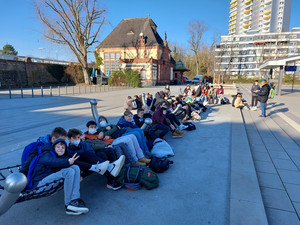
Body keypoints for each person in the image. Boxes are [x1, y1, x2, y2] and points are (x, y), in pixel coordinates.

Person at [31, 139, 89, 215]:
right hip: (40, 184)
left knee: (75, 167)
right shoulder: (47, 154)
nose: (60, 149)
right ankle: (68, 204)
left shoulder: (58, 157)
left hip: (49, 181)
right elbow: (51, 162)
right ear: (54, 148)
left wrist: (78, 176)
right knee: (69, 171)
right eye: (58, 147)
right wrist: (67, 161)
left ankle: (75, 199)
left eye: (63, 147)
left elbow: (60, 165)